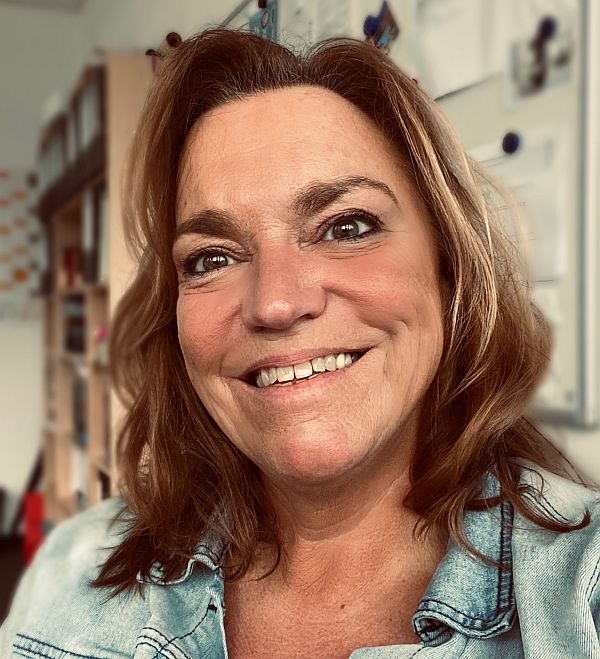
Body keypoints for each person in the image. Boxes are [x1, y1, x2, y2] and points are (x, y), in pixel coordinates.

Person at [2, 27, 599, 659]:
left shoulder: (578, 594)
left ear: (449, 267)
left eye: (346, 227)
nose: (276, 304)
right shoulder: (75, 567)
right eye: (211, 259)